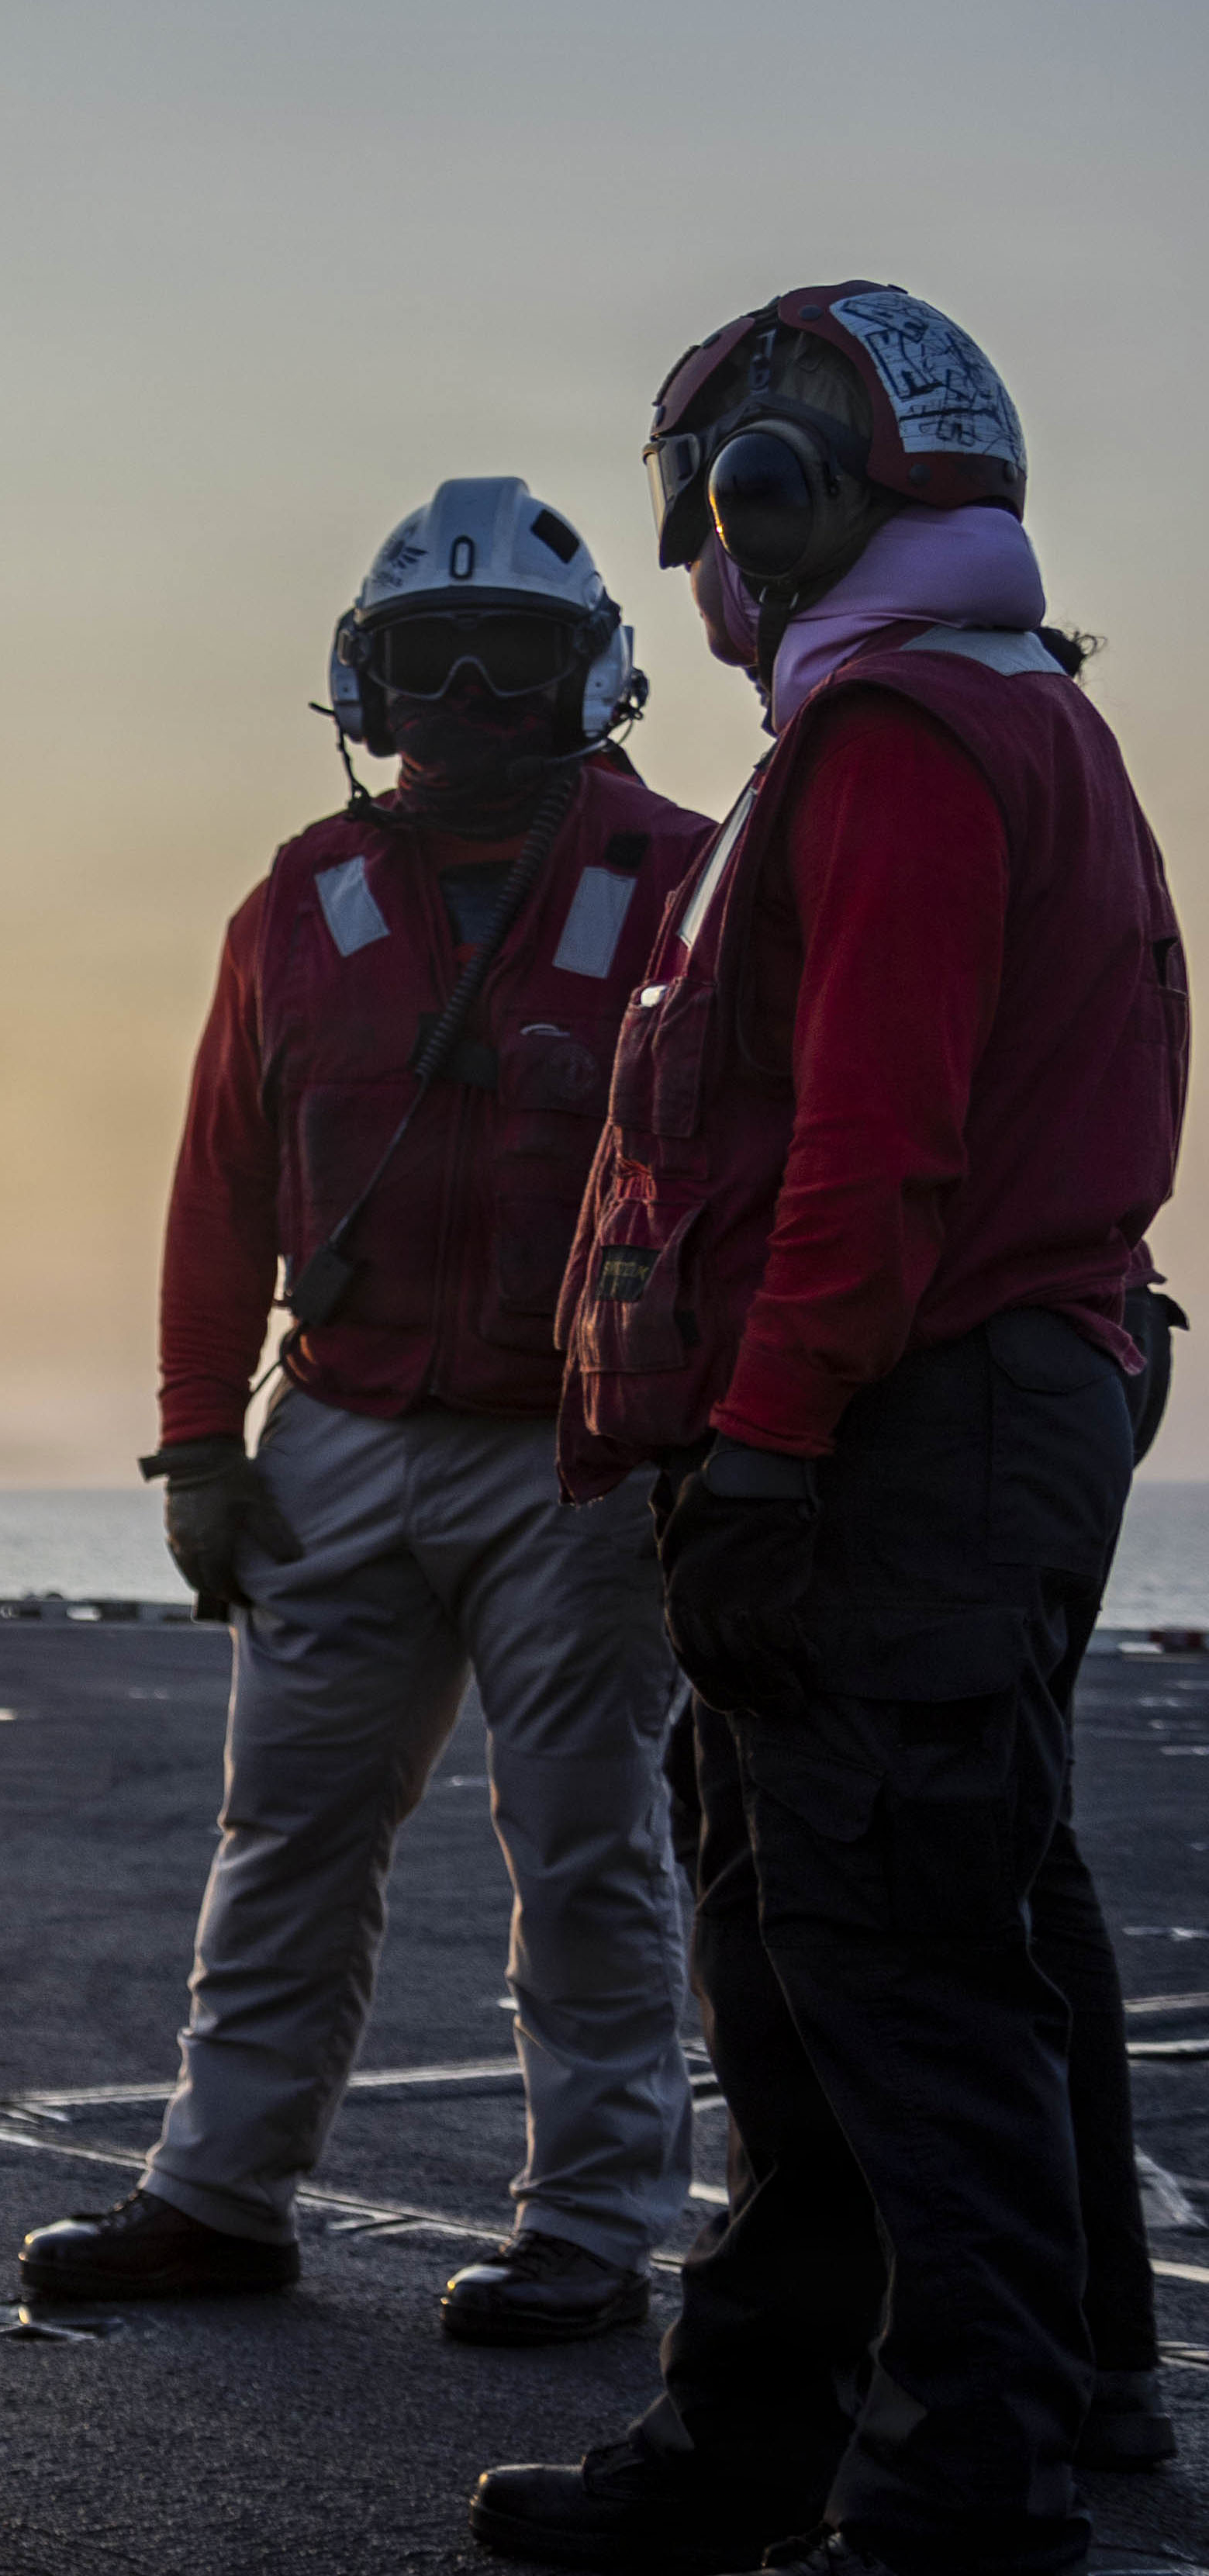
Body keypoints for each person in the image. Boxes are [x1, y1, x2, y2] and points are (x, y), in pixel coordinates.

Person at [475, 282, 1183, 2576]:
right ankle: (783, 2448)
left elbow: (873, 1150)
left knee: (880, 1983)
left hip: (901, 1427)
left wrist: (766, 1452)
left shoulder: (892, 742)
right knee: (858, 1966)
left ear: (780, 499)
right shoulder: (1013, 714)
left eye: (712, 515)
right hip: (983, 1407)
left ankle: (955, 2498)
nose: (701, 569)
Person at [17, 481, 713, 2344]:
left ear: (593, 680)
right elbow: (214, 1185)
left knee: (580, 1847)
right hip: (334, 1437)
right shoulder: (292, 908)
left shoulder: (693, 882)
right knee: (284, 1834)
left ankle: (587, 2226)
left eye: (514, 661)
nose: (471, 695)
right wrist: (190, 1441)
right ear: (366, 680)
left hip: (577, 1456)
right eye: (429, 659)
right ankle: (216, 2194)